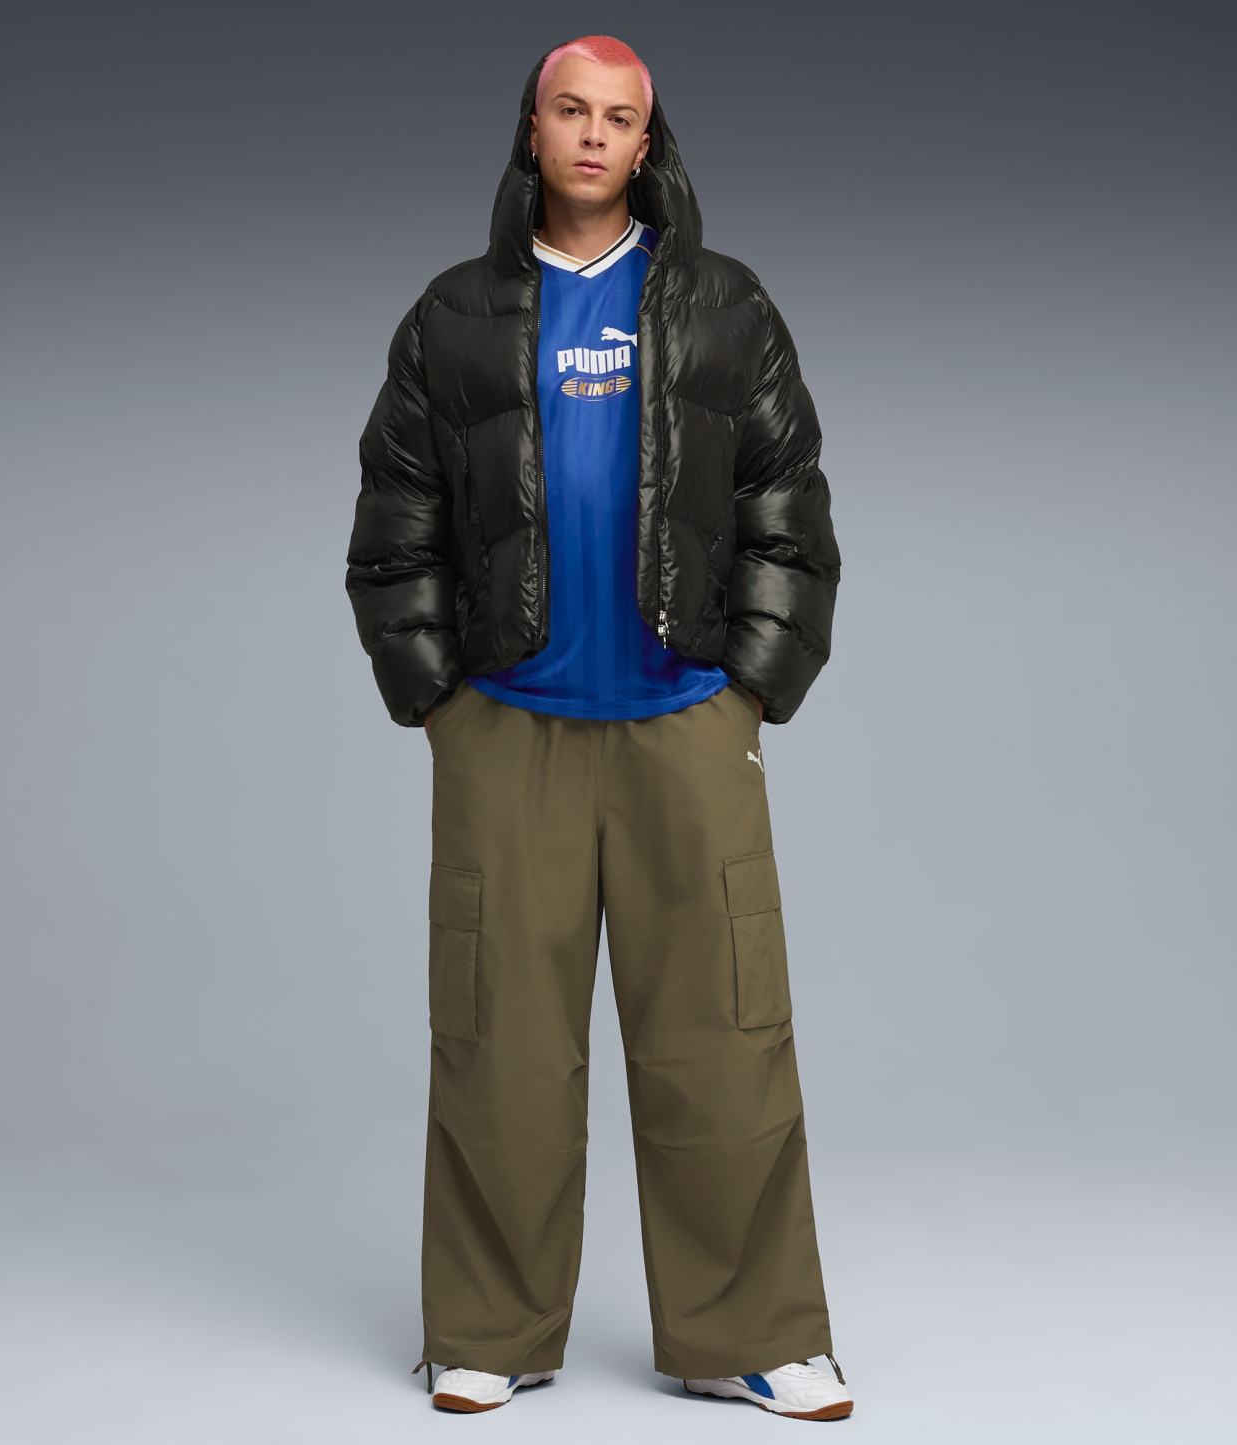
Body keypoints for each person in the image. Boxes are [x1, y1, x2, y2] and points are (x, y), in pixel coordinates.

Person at [344, 35, 848, 1421]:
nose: (590, 134)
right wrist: (439, 700)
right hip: (507, 728)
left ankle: (750, 1331)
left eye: (617, 118)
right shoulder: (453, 315)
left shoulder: (726, 306)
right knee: (499, 1042)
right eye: (568, 109)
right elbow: (395, 521)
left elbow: (790, 506)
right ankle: (489, 1329)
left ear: (646, 142)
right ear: (531, 129)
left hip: (686, 722)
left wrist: (751, 685)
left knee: (725, 1033)